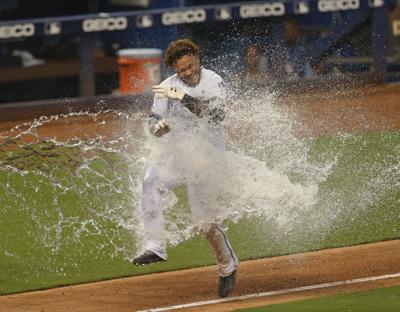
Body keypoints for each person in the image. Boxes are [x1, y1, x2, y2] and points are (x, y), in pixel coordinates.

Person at [132, 39, 239, 298]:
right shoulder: (166, 87)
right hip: (177, 155)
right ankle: (156, 246)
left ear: (197, 59)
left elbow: (215, 115)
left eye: (190, 67)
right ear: (174, 70)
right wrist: (158, 128)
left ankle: (228, 267)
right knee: (150, 181)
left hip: (206, 157)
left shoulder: (213, 81)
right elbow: (154, 121)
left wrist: (181, 96)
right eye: (181, 70)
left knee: (205, 224)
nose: (188, 73)